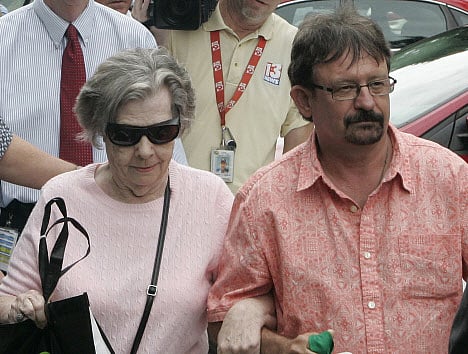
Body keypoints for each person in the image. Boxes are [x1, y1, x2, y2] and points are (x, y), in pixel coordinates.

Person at [207, 6, 468, 353]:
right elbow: (224, 320)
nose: (366, 102)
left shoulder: (448, 178)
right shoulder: (265, 199)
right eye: (345, 88)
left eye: (377, 84)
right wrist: (282, 348)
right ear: (304, 101)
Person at [0, 47, 234, 353]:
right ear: (101, 131)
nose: (145, 150)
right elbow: (9, 298)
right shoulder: (61, 197)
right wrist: (21, 307)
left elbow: (238, 300)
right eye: (126, 135)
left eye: (162, 132)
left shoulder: (211, 198)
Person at [0, 0, 165, 235]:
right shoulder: (3, 39)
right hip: (23, 227)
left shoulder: (135, 40)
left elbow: (164, 148)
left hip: (120, 223)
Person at [133, 0, 313, 193]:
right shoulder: (177, 28)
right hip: (175, 199)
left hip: (247, 210)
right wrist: (142, 32)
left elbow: (298, 143)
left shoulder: (295, 45)